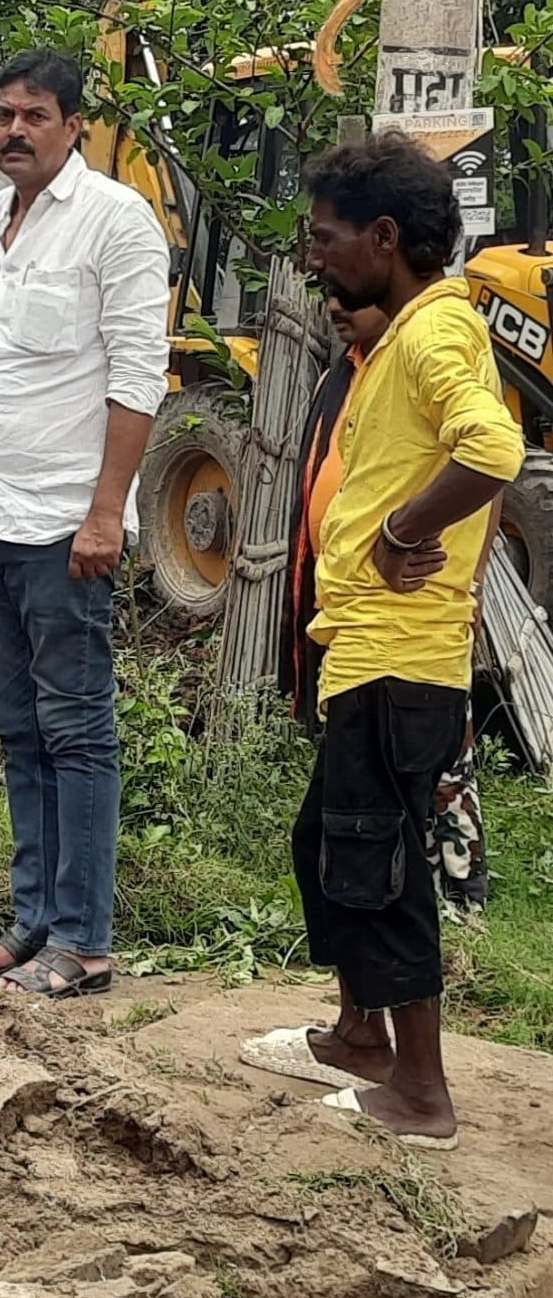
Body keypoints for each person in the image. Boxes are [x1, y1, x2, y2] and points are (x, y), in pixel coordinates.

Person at [243, 134, 524, 1151]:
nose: (313, 255)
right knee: (327, 847)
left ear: (384, 237)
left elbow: (491, 446)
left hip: (402, 658)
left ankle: (421, 1095)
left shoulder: (435, 333)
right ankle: (361, 1035)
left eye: (324, 238)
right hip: (368, 647)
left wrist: (407, 529)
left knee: (381, 865)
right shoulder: (402, 334)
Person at [0, 49, 171, 998]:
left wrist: (106, 510)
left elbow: (136, 372)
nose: (14, 132)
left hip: (63, 521)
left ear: (74, 126)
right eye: (3, 115)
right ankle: (33, 923)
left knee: (77, 729)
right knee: (18, 730)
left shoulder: (117, 222)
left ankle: (85, 938)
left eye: (35, 116)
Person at [283, 297, 494, 915]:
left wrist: (465, 578)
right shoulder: (342, 377)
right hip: (353, 619)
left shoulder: (425, 355)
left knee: (420, 794)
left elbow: (488, 466)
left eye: (353, 293)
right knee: (347, 830)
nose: (334, 304)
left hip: (412, 625)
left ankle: (455, 896)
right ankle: (370, 999)